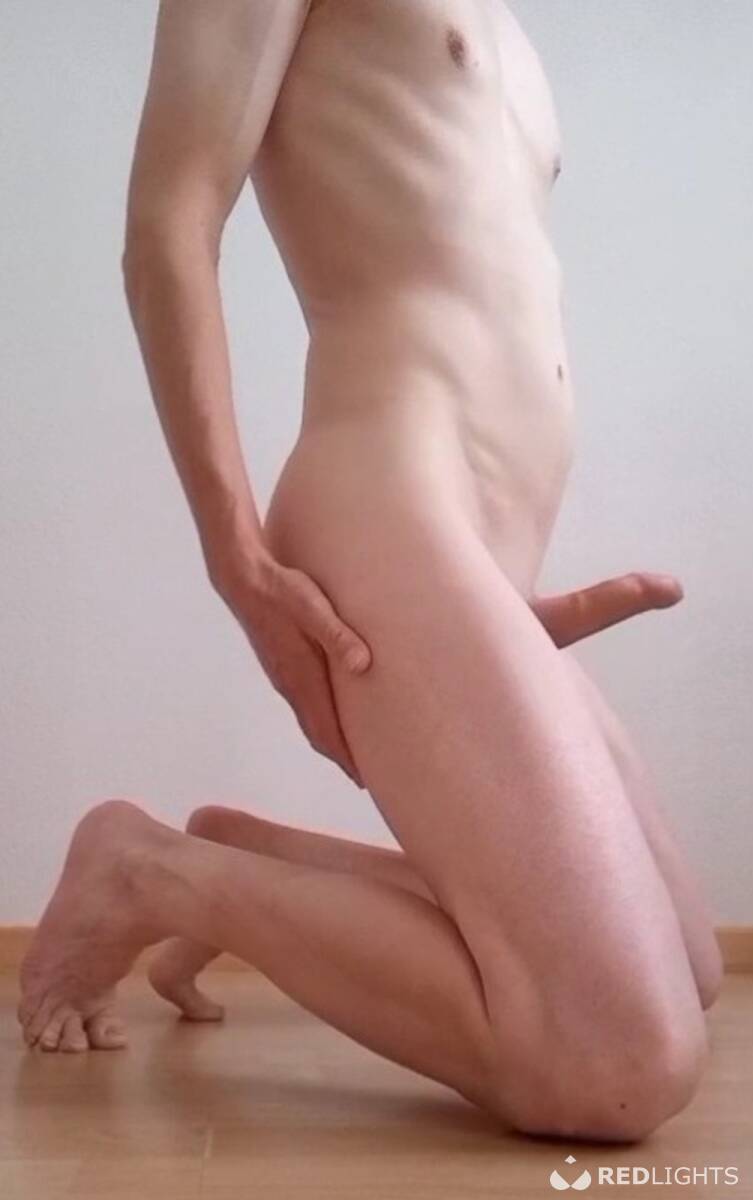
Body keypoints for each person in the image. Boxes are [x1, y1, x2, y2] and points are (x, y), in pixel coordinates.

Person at [18, 0, 722, 1142]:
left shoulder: (506, 25)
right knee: (621, 1059)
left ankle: (242, 859)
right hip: (390, 493)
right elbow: (168, 225)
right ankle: (147, 873)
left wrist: (487, 623)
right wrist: (237, 557)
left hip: (476, 553)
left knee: (687, 968)